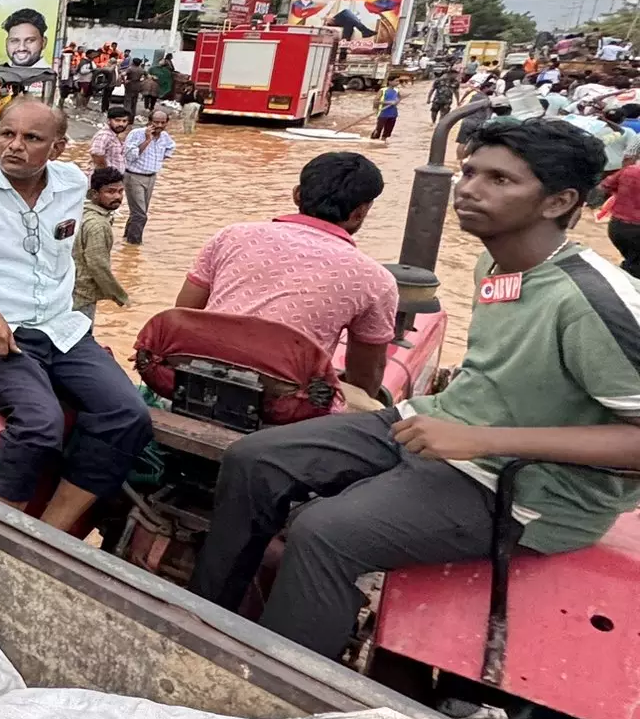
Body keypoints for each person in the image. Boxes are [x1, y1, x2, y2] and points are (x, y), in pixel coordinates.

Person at [190, 117, 640, 658]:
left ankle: (285, 687)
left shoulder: (595, 302)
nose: (469, 189)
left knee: (324, 533)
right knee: (254, 459)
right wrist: (457, 429)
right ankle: (207, 618)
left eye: (500, 180)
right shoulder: (493, 262)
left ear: (557, 201)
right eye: (469, 171)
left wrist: (482, 442)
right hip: (440, 424)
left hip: (524, 487)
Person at [0, 97, 151, 529]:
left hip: (62, 328)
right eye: (7, 134)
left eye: (31, 138)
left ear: (57, 148)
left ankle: (52, 532)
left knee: (129, 414)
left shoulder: (72, 184)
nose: (14, 146)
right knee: (40, 425)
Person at [175, 152, 398, 397]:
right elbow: (366, 376)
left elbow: (184, 315)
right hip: (289, 402)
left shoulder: (231, 236)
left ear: (297, 195)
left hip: (197, 376)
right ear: (361, 212)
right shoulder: (375, 279)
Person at [72, 166, 131, 321]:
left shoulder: (80, 212)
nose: (117, 196)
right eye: (110, 192)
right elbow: (98, 265)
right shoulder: (98, 225)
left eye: (120, 191)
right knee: (81, 339)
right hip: (82, 295)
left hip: (67, 290)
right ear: (94, 194)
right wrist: (119, 296)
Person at [119, 107, 177, 244]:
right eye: (156, 122)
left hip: (151, 177)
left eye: (163, 123)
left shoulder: (164, 136)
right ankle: (134, 245)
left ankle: (127, 239)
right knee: (140, 214)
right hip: (134, 176)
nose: (159, 126)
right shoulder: (136, 134)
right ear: (149, 122)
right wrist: (147, 140)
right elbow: (130, 156)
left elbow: (171, 147)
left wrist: (159, 159)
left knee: (138, 212)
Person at [599, 144, 640, 276]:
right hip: (636, 229)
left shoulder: (629, 171)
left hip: (618, 227)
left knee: (632, 263)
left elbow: (604, 186)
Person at [88, 104, 132, 173]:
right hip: (105, 179)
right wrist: (107, 174)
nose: (121, 124)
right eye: (117, 120)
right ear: (108, 120)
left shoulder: (116, 135)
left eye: (124, 121)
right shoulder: (104, 135)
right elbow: (97, 155)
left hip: (116, 178)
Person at [119, 56, 147, 121]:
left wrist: (124, 81)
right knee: (134, 103)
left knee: (127, 101)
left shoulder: (130, 69)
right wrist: (142, 81)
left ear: (133, 62)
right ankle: (131, 118)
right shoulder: (141, 69)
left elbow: (123, 74)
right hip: (137, 86)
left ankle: (126, 116)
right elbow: (148, 76)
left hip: (130, 85)